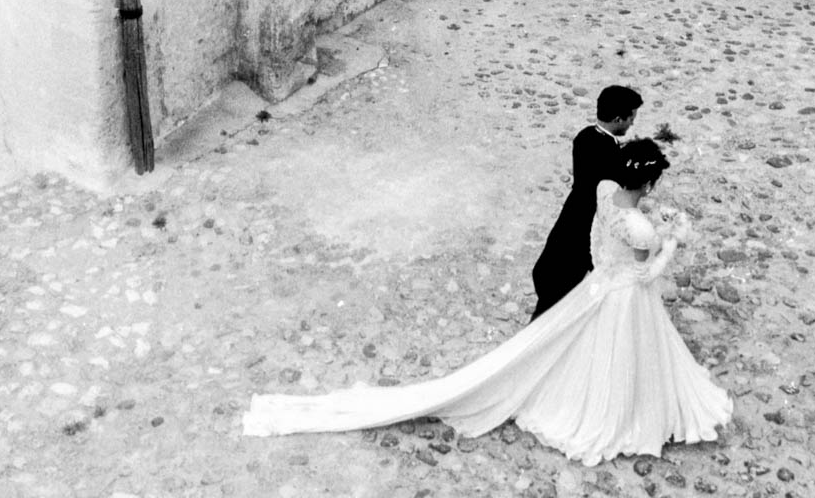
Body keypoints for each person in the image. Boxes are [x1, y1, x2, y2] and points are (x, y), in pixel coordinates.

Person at [243, 138, 730, 466]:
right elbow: (645, 268)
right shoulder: (640, 225)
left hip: (599, 285)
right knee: (616, 361)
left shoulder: (604, 192)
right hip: (623, 296)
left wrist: (649, 223)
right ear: (647, 184)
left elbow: (607, 240)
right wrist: (672, 240)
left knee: (574, 349)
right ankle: (619, 416)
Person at [530, 84, 641, 320]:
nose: (632, 123)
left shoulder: (584, 137)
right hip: (589, 219)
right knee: (568, 278)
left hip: (572, 210)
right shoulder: (613, 157)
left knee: (556, 267)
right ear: (619, 118)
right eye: (631, 118)